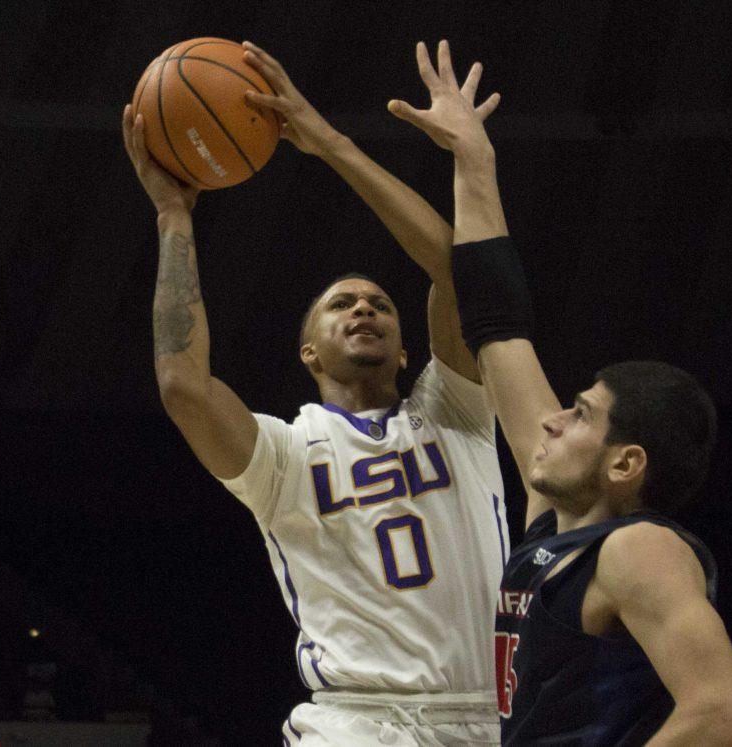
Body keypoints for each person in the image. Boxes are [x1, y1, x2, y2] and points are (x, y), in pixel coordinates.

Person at [123, 41, 508, 745]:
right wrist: (174, 217)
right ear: (308, 351)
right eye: (341, 305)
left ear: (406, 345)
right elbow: (183, 384)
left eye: (379, 304)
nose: (363, 308)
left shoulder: (458, 411)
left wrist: (329, 143)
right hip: (356, 721)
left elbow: (458, 269)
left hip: (490, 715)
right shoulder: (284, 454)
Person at [387, 41, 732, 745]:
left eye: (582, 413)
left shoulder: (637, 549)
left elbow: (721, 717)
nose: (552, 418)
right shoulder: (558, 530)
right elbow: (497, 326)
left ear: (626, 463)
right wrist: (475, 162)